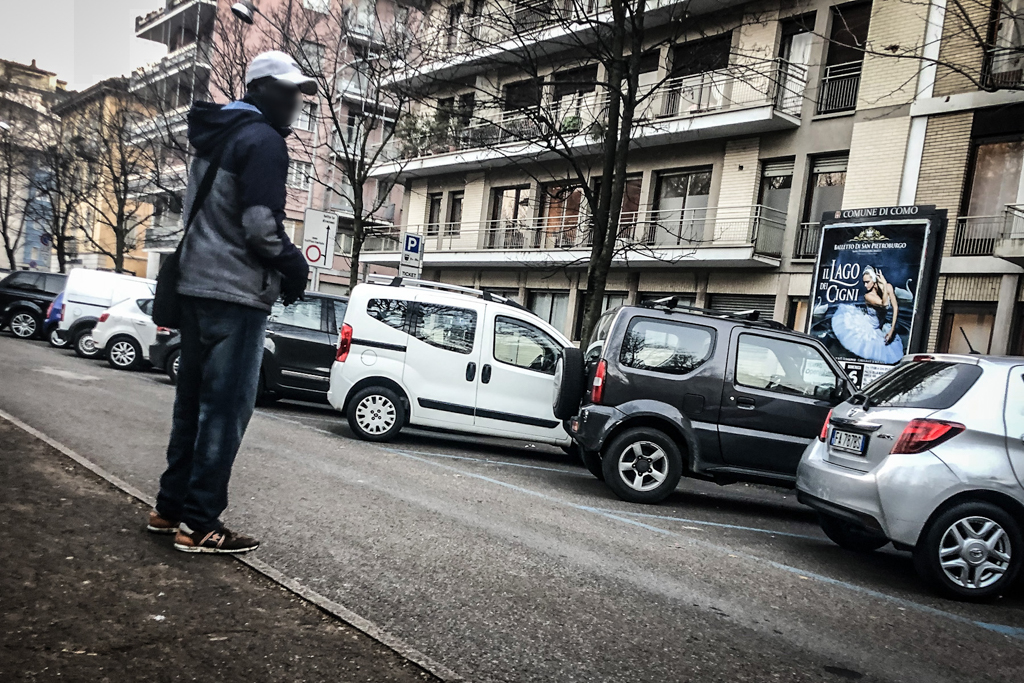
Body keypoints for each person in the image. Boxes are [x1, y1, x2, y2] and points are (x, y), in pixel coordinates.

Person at [147, 52, 314, 553]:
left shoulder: (217, 136)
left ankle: (169, 509)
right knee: (225, 412)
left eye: (299, 91)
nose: (295, 100)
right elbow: (261, 228)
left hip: (195, 288)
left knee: (190, 407)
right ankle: (199, 524)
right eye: (287, 90)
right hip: (236, 295)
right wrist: (295, 267)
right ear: (259, 89)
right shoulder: (263, 140)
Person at [830, 265, 904, 364]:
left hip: (879, 326)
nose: (865, 285)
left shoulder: (888, 287)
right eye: (864, 282)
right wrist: (884, 284)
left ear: (874, 280)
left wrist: (892, 329)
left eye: (867, 282)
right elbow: (885, 304)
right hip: (867, 326)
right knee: (865, 352)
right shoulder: (868, 296)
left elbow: (895, 308)